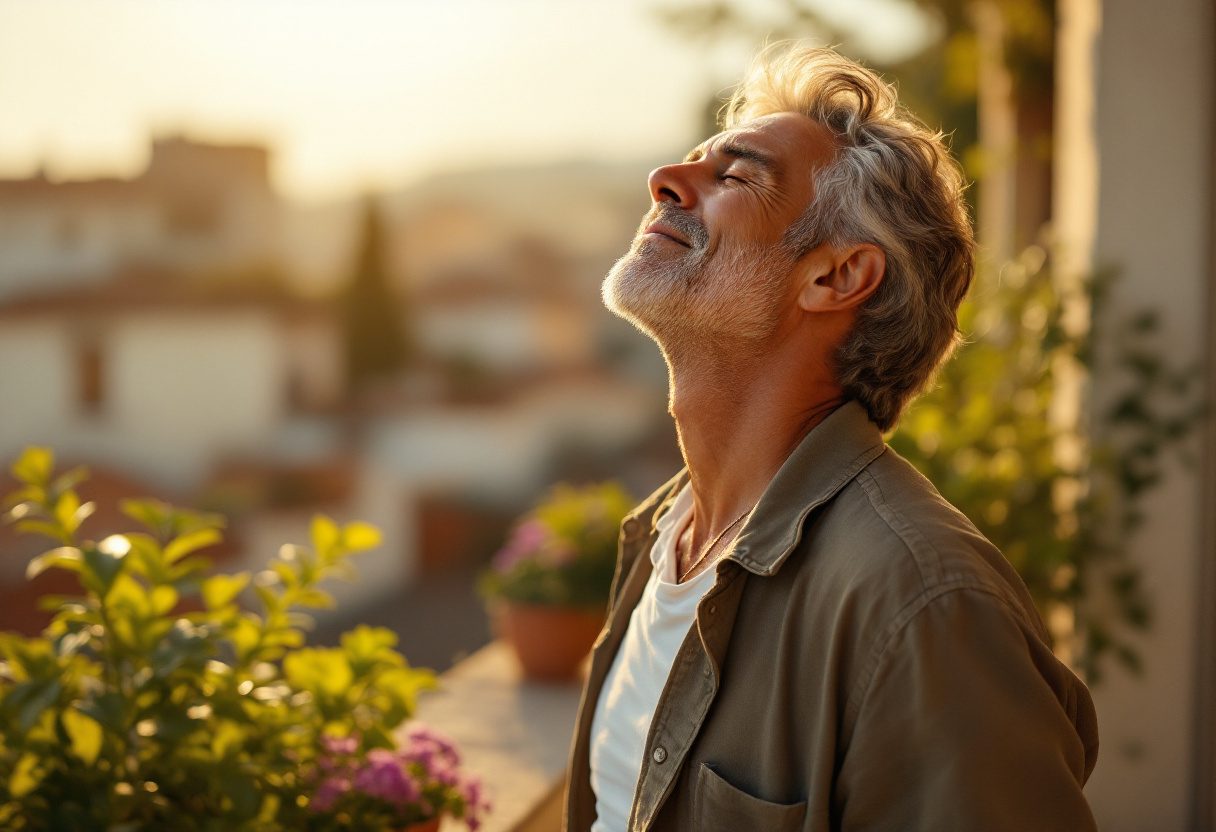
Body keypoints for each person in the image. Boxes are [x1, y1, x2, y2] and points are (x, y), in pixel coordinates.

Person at [562, 43, 1099, 832]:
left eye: (736, 176)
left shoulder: (924, 604)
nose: (666, 182)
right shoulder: (662, 536)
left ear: (837, 277)